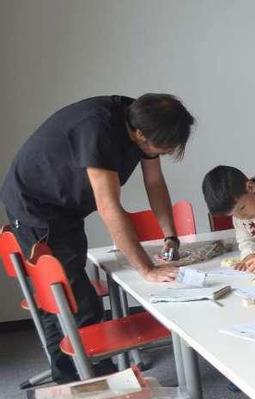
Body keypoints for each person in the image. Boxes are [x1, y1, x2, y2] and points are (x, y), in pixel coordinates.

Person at [1, 93, 195, 382]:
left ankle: (70, 372)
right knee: (72, 300)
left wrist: (170, 236)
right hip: (34, 205)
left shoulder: (144, 118)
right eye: (162, 147)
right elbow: (109, 207)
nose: (165, 152)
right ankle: (87, 379)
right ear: (139, 134)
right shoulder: (99, 131)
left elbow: (154, 182)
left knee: (69, 289)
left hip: (65, 208)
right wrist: (147, 269)